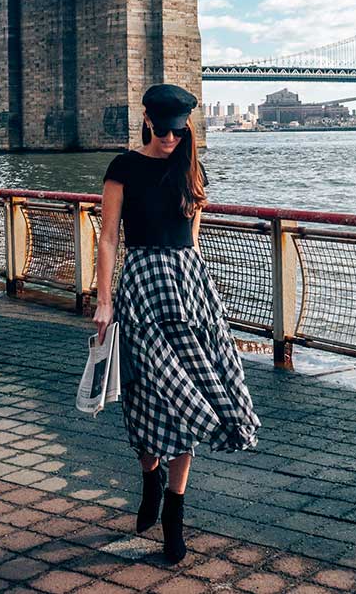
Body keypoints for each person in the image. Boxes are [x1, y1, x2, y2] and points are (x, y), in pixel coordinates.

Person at [93, 84, 260, 563]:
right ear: (147, 119)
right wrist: (104, 301)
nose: (170, 137)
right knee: (146, 398)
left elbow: (192, 240)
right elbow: (107, 239)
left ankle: (174, 514)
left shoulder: (192, 168)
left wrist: (205, 296)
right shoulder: (123, 168)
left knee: (192, 395)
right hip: (142, 288)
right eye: (162, 128)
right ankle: (150, 476)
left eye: (178, 128)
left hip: (189, 289)